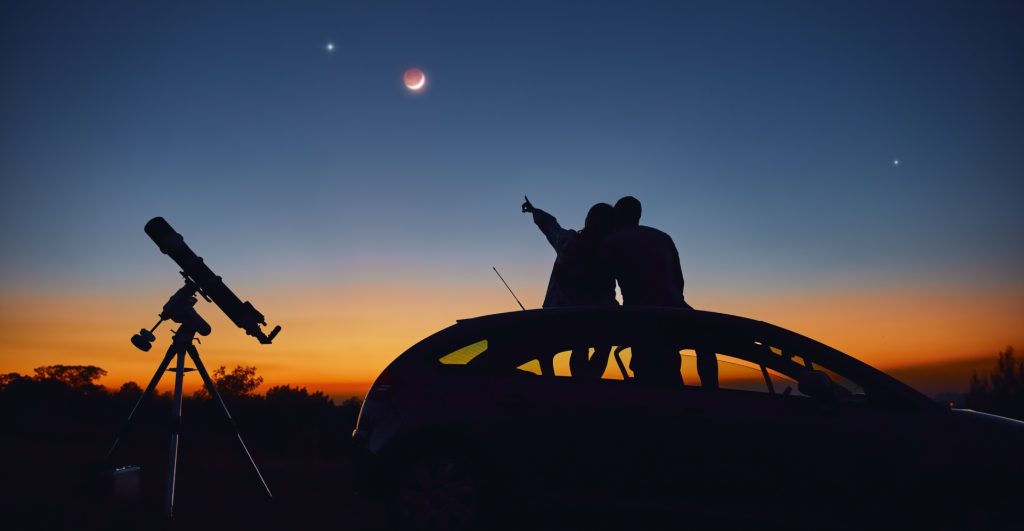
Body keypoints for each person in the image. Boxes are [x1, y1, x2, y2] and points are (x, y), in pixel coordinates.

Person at [603, 196, 718, 388]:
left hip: (639, 314)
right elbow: (679, 280)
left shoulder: (612, 240)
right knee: (700, 345)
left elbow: (603, 282)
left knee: (648, 369)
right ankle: (711, 393)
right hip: (674, 309)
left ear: (617, 215)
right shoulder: (663, 237)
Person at [522, 196, 617, 379]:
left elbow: (550, 226)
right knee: (601, 347)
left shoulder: (567, 241)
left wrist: (534, 211)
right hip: (594, 319)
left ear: (588, 220)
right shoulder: (609, 253)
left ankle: (574, 385)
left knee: (579, 349)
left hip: (558, 317)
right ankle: (588, 384)